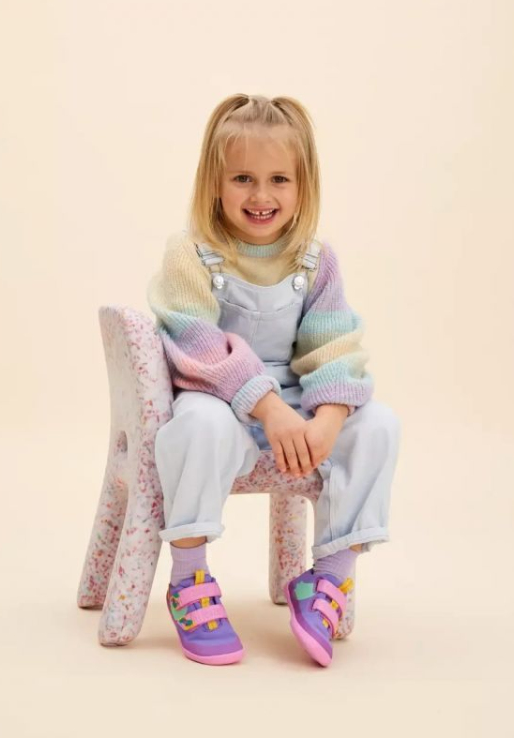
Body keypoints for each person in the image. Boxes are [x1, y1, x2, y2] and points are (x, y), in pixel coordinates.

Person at [146, 93, 401, 667]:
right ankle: (188, 581)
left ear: (303, 185)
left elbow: (332, 343)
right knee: (198, 429)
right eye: (243, 178)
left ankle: (327, 578)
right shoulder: (192, 254)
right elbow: (199, 343)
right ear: (215, 183)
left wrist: (328, 417)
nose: (261, 196)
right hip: (219, 401)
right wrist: (269, 409)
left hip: (296, 406)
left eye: (279, 179)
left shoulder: (314, 260)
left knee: (380, 425)